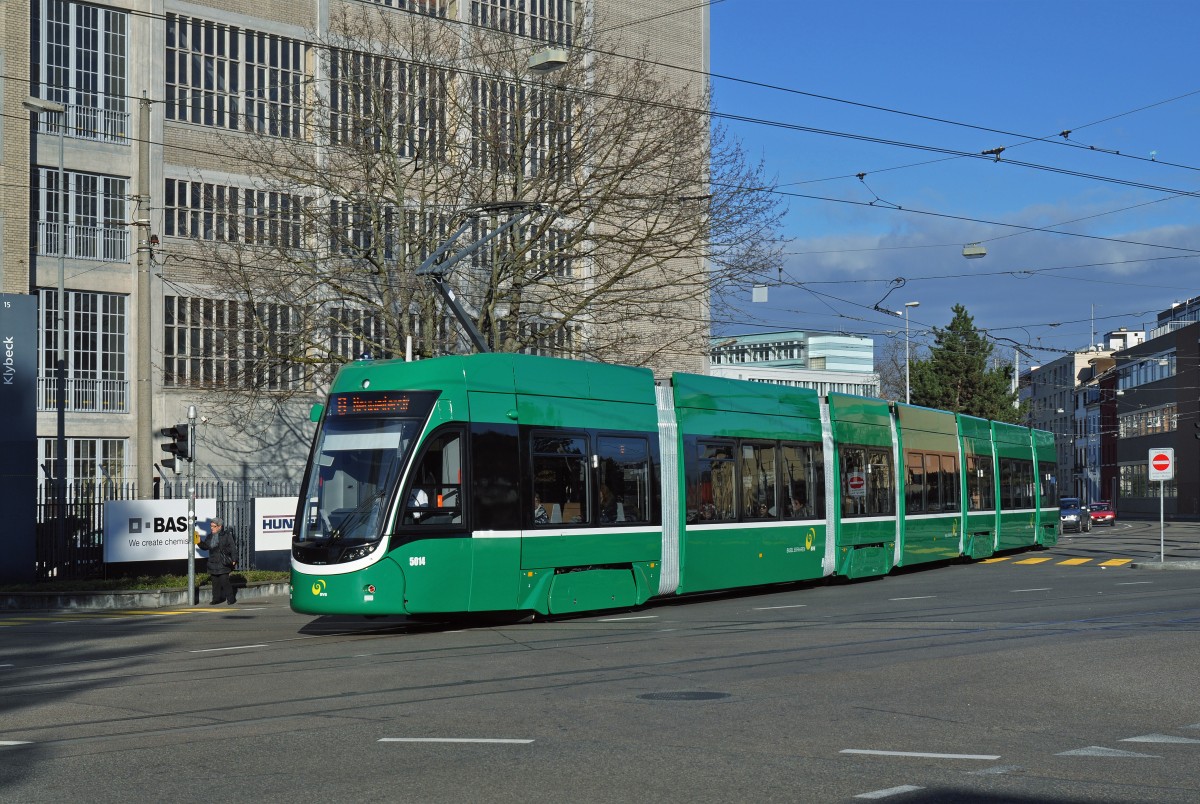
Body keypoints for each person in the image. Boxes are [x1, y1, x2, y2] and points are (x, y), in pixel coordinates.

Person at [197, 517, 238, 605]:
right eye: (211, 526)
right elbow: (205, 547)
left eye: (214, 526)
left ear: (220, 527)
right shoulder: (210, 536)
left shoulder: (227, 535)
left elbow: (233, 547)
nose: (212, 528)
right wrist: (199, 542)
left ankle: (231, 599)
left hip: (223, 562)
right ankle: (216, 599)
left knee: (224, 581)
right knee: (215, 583)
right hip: (213, 563)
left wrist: (234, 559)